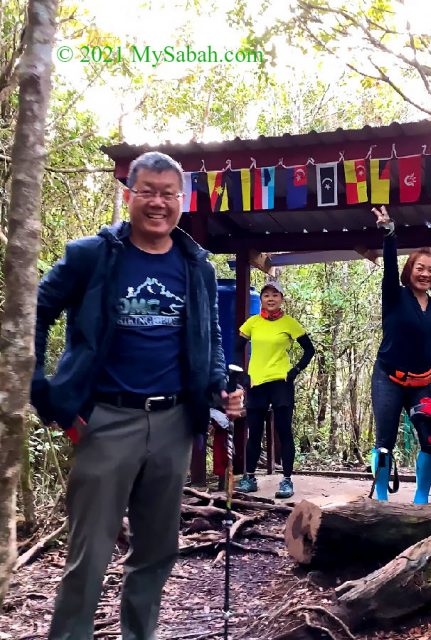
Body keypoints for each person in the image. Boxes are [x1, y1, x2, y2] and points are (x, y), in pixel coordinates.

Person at [30, 151, 245, 640]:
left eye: (168, 193)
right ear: (128, 195)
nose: (157, 202)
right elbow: (33, 311)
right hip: (105, 419)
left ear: (182, 201)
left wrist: (217, 389)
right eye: (147, 190)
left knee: (156, 552)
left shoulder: (196, 265)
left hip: (172, 424)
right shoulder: (93, 255)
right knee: (90, 554)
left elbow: (208, 335)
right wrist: (46, 394)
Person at [369, 205, 431, 504]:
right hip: (388, 378)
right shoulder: (394, 295)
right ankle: (381, 500)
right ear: (410, 270)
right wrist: (390, 235)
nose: (425, 274)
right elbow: (389, 268)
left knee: (430, 439)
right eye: (420, 268)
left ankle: (421, 499)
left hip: (422, 384)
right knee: (385, 441)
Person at [233, 279, 314, 499]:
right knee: (254, 432)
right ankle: (249, 478)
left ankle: (286, 480)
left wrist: (295, 370)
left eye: (275, 295)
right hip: (257, 383)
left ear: (281, 299)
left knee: (284, 431)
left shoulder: (289, 323)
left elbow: (309, 350)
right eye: (266, 295)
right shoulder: (252, 323)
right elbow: (237, 348)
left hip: (281, 382)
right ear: (261, 300)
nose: (271, 299)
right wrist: (241, 375)